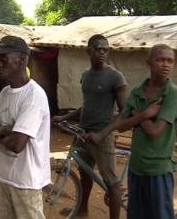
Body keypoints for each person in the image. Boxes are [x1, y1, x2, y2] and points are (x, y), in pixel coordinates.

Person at [95, 44, 177, 219]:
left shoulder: (172, 93)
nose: (165, 65)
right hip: (137, 167)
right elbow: (122, 125)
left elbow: (155, 132)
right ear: (148, 62)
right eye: (160, 60)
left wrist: (137, 114)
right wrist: (146, 114)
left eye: (170, 61)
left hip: (158, 169)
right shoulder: (138, 91)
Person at [52, 34, 126, 219]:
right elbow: (87, 105)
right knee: (85, 175)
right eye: (98, 49)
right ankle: (82, 210)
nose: (102, 52)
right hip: (83, 133)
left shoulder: (115, 77)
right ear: (88, 51)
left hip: (103, 137)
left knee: (112, 184)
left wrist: (102, 134)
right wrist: (64, 117)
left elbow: (125, 113)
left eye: (105, 49)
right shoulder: (86, 75)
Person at [0, 36, 50, 219]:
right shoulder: (5, 93)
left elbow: (17, 144)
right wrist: (7, 129)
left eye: (3, 59)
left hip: (26, 182)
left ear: (21, 61)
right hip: (5, 177)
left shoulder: (34, 96)